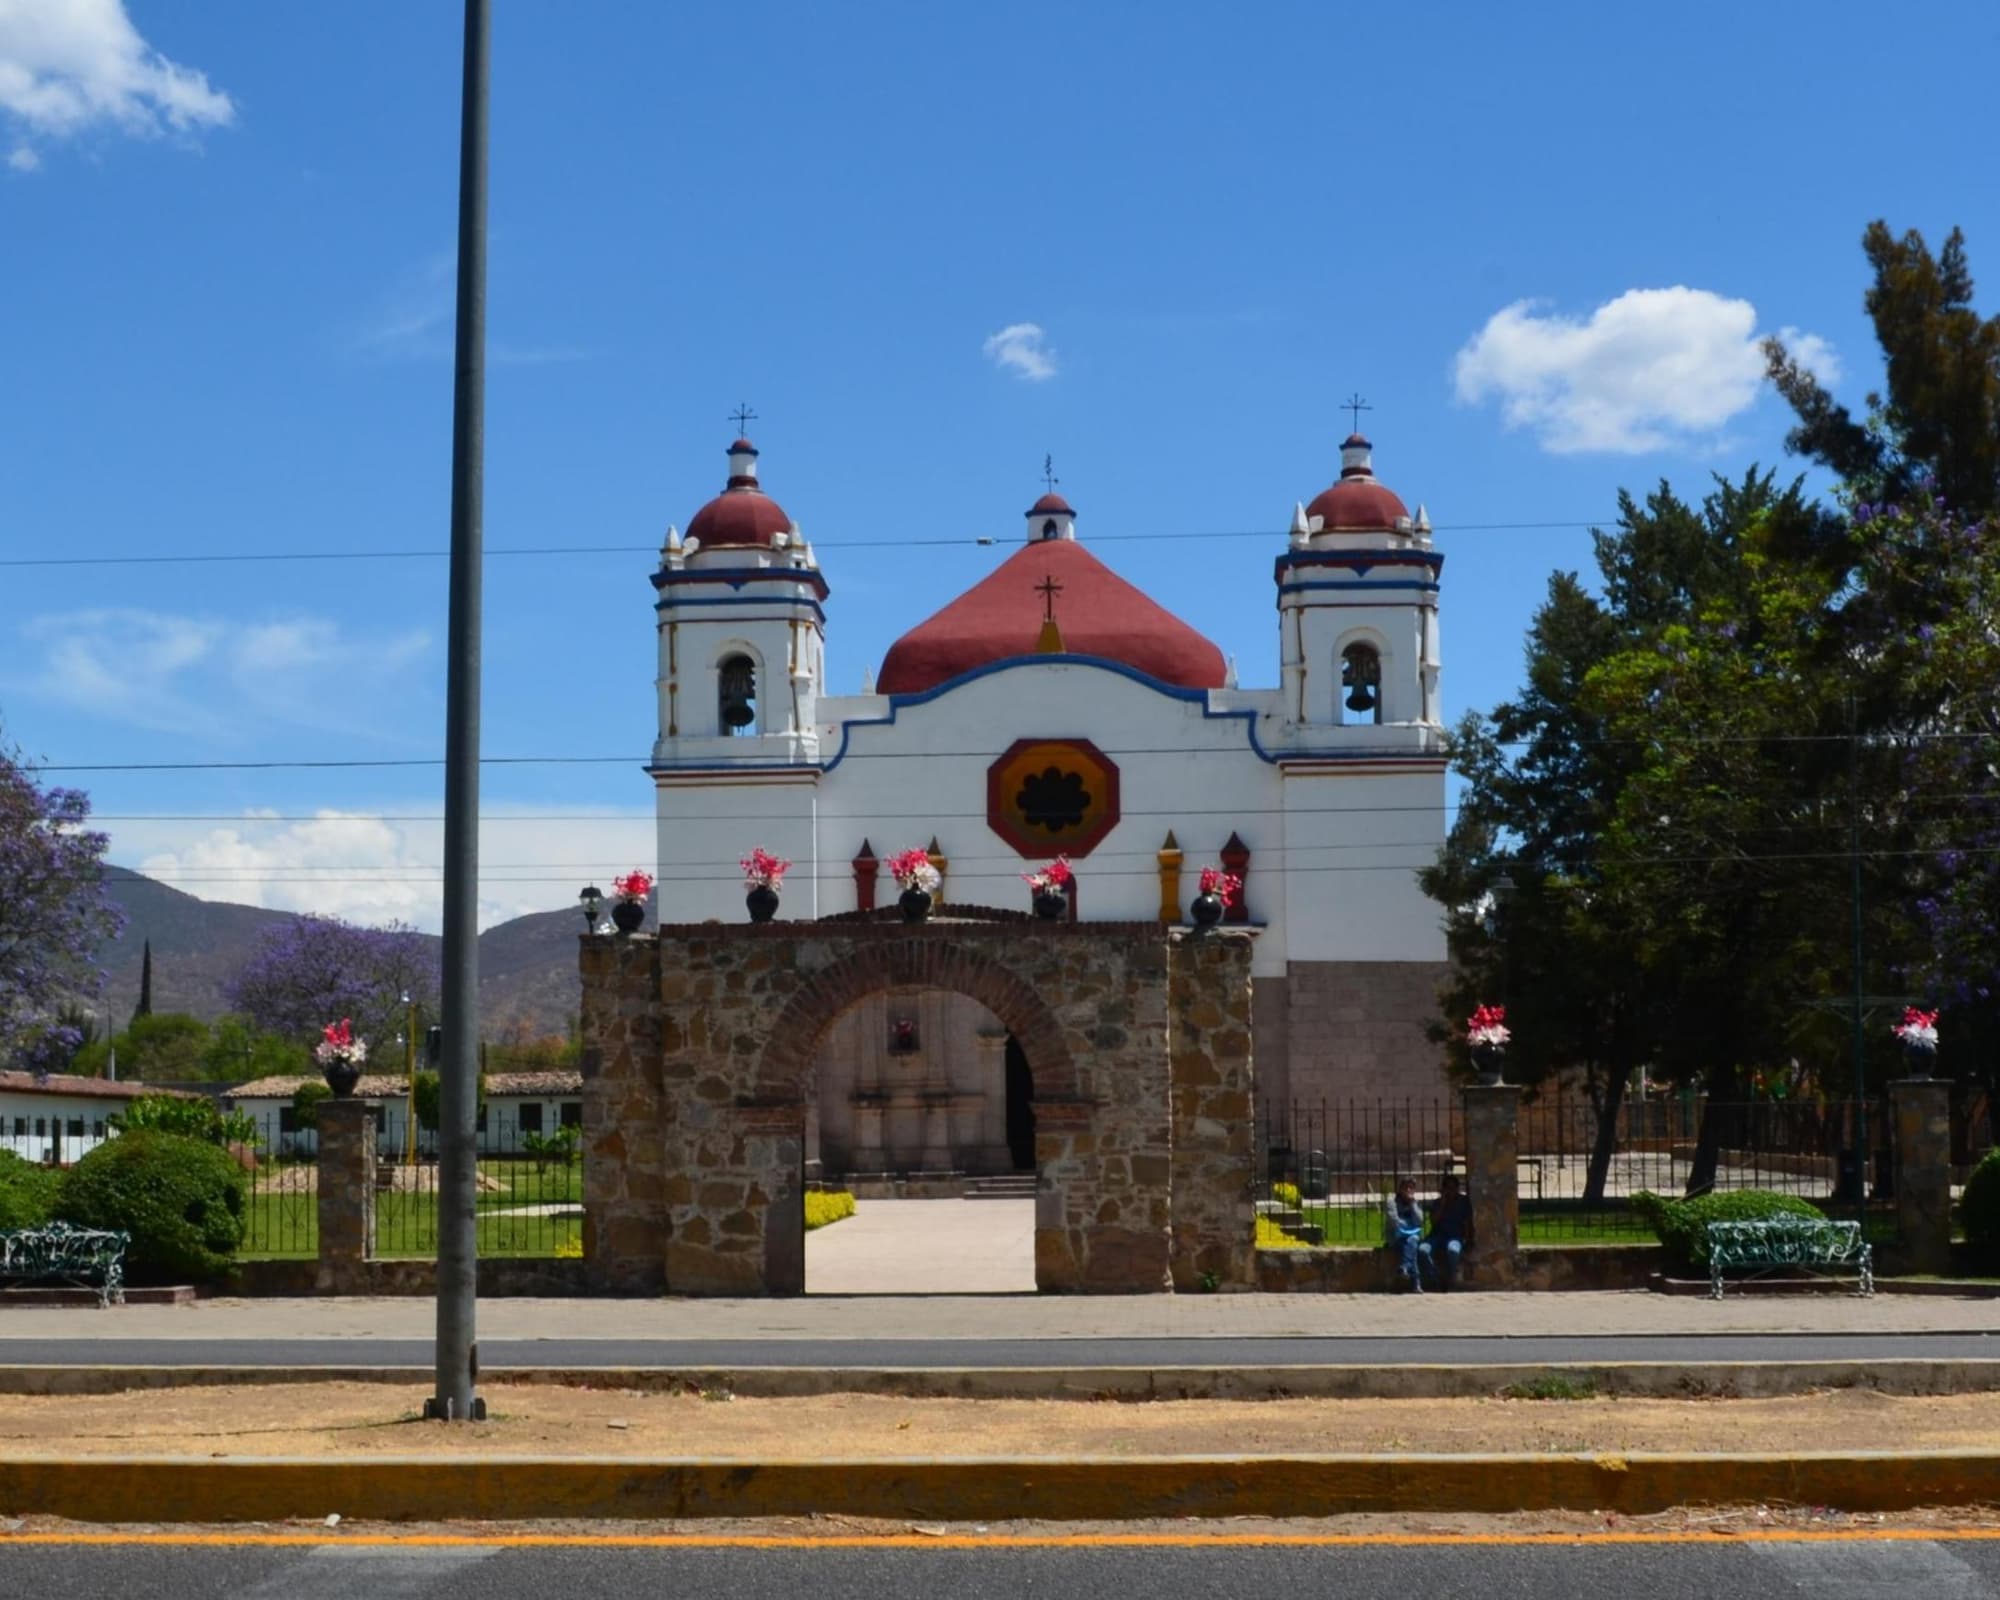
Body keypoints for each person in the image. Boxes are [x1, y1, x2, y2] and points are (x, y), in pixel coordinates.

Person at [1422, 1172, 1474, 1292]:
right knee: (1423, 1250)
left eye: (1453, 1188)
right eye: (1448, 1188)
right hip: (1437, 1236)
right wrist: (1443, 1204)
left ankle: (1450, 1279)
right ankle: (1436, 1279)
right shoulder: (1437, 1203)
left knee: (1453, 1250)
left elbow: (1467, 1222)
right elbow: (1434, 1221)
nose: (1451, 1191)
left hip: (1455, 1236)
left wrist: (1468, 1239)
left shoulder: (1463, 1202)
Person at [1382, 1177, 1429, 1291]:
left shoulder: (1415, 1202)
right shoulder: (1392, 1202)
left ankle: (1404, 1268)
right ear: (1400, 1189)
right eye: (1406, 1187)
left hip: (1411, 1236)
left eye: (1411, 1188)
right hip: (1396, 1236)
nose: (1408, 1190)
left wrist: (1412, 1204)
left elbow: (1419, 1221)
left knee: (1411, 1242)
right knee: (1411, 1244)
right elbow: (1394, 1221)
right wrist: (1408, 1225)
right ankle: (1415, 1282)